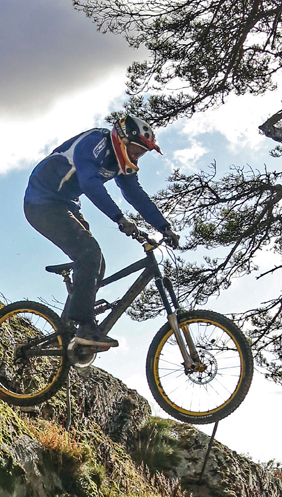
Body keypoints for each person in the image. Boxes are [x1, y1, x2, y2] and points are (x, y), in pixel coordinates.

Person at [24, 115, 179, 349]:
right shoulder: (95, 142)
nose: (137, 157)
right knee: (89, 253)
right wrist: (119, 218)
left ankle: (66, 331)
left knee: (97, 264)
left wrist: (164, 227)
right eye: (136, 150)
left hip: (66, 204)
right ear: (122, 139)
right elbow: (90, 184)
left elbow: (135, 194)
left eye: (142, 153)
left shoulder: (121, 162)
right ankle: (85, 325)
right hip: (41, 201)